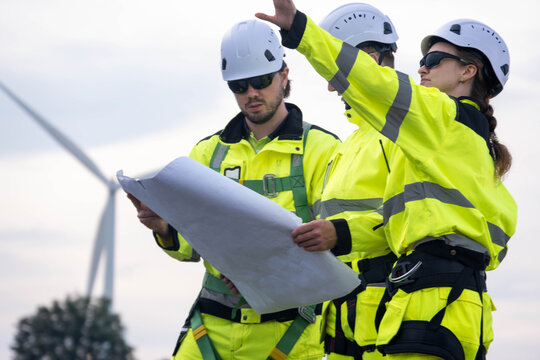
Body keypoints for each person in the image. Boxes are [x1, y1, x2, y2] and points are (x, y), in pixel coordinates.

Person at [257, 1, 517, 359]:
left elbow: (375, 82)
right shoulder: (468, 145)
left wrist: (302, 31)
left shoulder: (443, 119)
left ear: (468, 71)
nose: (422, 67)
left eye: (434, 59)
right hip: (443, 300)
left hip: (432, 300)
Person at [128, 19, 340, 360]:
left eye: (260, 81)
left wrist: (265, 275)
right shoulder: (206, 154)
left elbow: (341, 246)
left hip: (288, 334)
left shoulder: (323, 150)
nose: (252, 93)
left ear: (284, 74)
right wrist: (163, 228)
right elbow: (187, 248)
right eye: (240, 85)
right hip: (209, 329)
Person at [289, 3, 402, 359]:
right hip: (341, 322)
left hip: (386, 320)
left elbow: (420, 221)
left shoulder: (402, 135)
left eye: (335, 73)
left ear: (370, 58)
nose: (329, 87)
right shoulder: (348, 145)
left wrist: (341, 234)